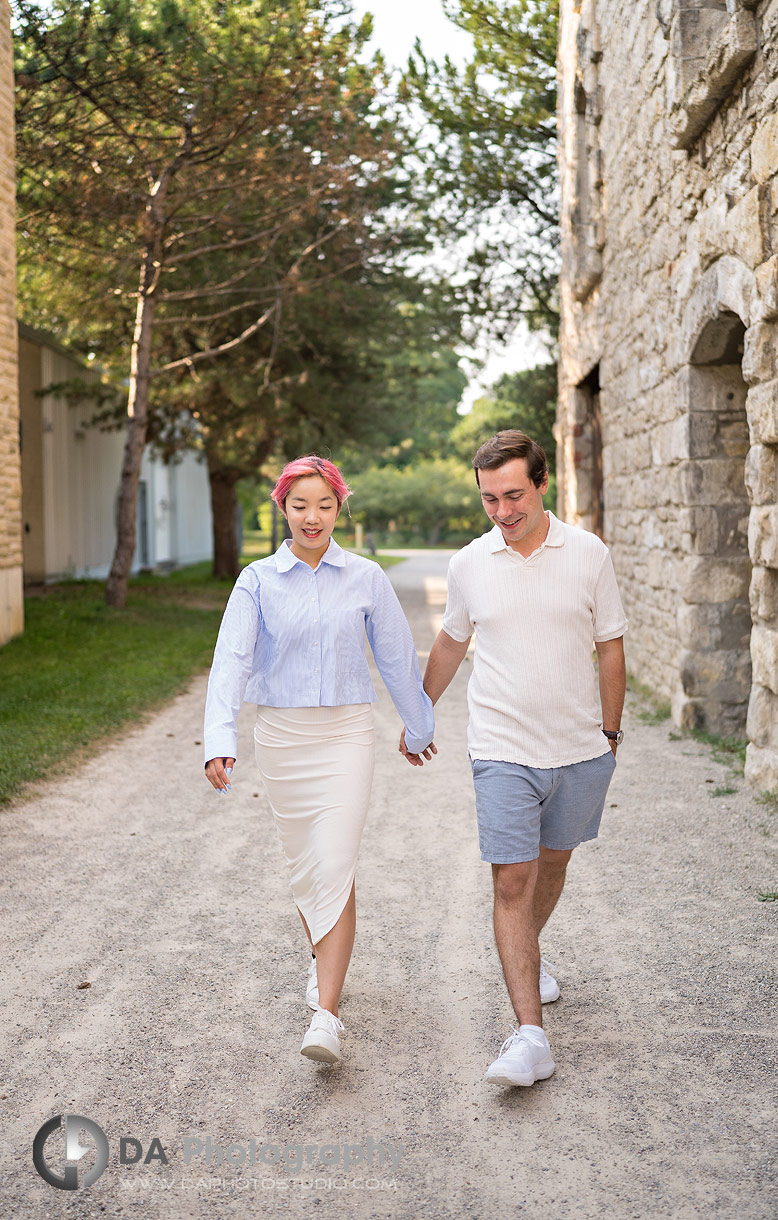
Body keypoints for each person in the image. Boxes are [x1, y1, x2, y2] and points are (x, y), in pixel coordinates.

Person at [401, 430, 627, 1087]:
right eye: (487, 499)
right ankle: (530, 1036)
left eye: (512, 495)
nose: (501, 511)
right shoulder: (470, 563)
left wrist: (609, 737)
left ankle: (527, 951)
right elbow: (449, 642)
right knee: (510, 881)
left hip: (579, 748)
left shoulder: (587, 554)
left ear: (542, 483)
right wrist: (419, 717)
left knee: (552, 865)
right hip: (500, 747)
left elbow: (609, 647)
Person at [204, 454, 435, 1066]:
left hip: (345, 739)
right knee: (309, 869)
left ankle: (326, 1016)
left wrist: (419, 724)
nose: (312, 517)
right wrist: (218, 738)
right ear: (282, 507)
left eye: (324, 505)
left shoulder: (366, 577)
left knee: (334, 862)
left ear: (340, 508)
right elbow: (232, 661)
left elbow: (395, 657)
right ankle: (324, 967)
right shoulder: (256, 580)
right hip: (281, 741)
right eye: (300, 505)